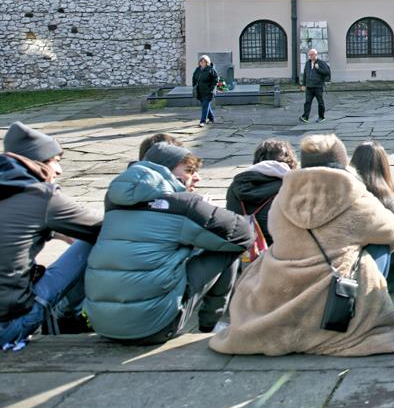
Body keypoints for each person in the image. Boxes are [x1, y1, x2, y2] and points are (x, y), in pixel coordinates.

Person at [211, 134, 394, 356]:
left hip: (284, 283)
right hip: (336, 295)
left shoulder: (283, 196)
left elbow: (275, 232)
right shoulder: (354, 195)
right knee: (379, 247)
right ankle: (362, 304)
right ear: (343, 162)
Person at [85, 143, 252, 343]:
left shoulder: (114, 201)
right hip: (154, 327)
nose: (196, 177)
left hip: (102, 324)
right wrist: (203, 210)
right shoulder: (182, 204)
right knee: (227, 245)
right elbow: (243, 233)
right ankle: (210, 325)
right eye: (189, 170)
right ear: (166, 171)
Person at [0, 123, 102, 347]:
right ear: (37, 162)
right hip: (10, 327)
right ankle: (70, 316)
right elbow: (104, 228)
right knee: (90, 243)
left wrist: (55, 231)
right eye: (55, 161)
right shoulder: (41, 196)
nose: (59, 170)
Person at [350, 141, 394, 294]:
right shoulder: (388, 202)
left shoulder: (347, 198)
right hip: (386, 277)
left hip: (352, 273)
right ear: (384, 168)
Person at [226, 138, 297, 247]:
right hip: (281, 249)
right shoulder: (291, 187)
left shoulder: (235, 186)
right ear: (290, 161)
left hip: (245, 248)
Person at [300, 48, 331, 123]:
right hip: (309, 87)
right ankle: (305, 117)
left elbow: (327, 72)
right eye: (309, 55)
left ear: (315, 55)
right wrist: (303, 85)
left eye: (311, 55)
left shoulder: (321, 63)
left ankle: (321, 117)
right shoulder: (307, 63)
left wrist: (318, 69)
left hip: (318, 87)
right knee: (307, 102)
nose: (310, 56)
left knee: (320, 102)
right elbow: (305, 74)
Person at [192, 55, 218, 127]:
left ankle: (202, 121)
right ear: (199, 62)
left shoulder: (211, 70)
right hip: (200, 92)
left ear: (207, 62)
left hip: (209, 92)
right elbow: (194, 78)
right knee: (206, 106)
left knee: (204, 106)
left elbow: (215, 79)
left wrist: (211, 89)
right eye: (201, 61)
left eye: (204, 62)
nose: (202, 63)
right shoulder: (197, 70)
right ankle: (211, 118)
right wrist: (194, 86)